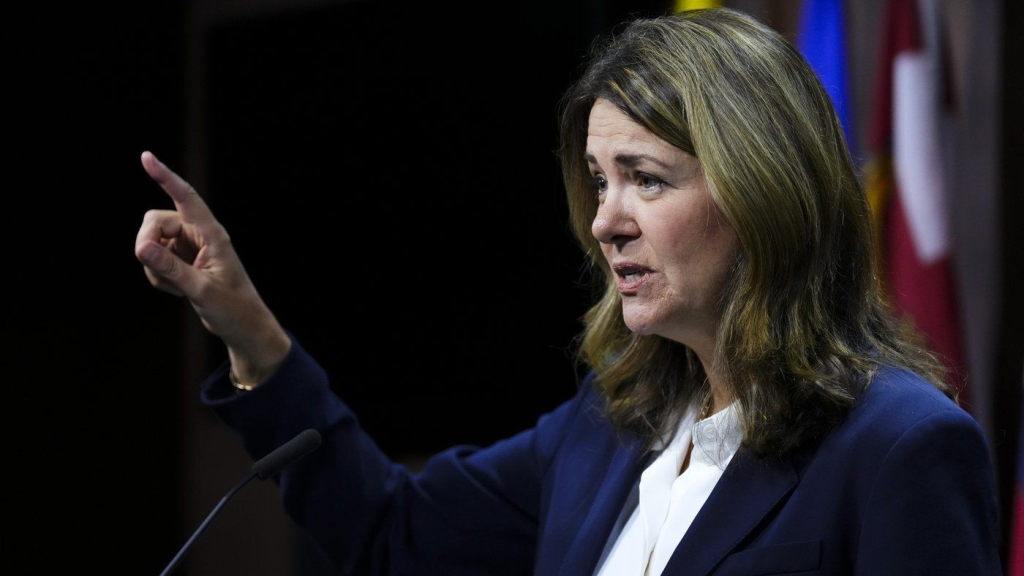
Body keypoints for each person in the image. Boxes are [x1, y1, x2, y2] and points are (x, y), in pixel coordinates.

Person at [134, 8, 1002, 576]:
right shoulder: (607, 431)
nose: (605, 221)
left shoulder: (902, 448)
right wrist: (243, 323)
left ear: (763, 194)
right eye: (598, 179)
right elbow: (391, 532)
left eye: (647, 180)